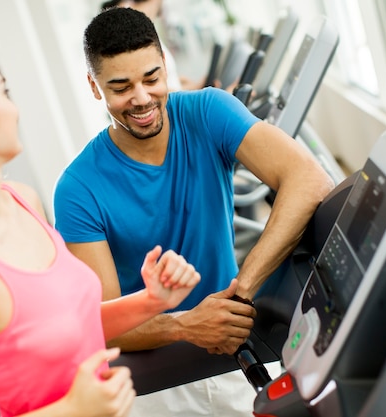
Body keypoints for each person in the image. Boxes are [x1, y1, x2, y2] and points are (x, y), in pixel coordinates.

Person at [0, 31, 200, 417]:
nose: (15, 108)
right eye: (3, 91)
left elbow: (66, 322)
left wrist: (152, 301)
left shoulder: (22, 201)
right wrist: (73, 409)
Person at [53, 7, 334, 416]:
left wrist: (240, 293)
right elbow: (102, 321)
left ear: (165, 64)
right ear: (95, 87)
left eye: (151, 78)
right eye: (121, 87)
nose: (142, 98)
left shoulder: (207, 113)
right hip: (154, 375)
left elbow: (309, 178)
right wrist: (186, 324)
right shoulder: (77, 188)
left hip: (232, 346)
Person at [100, 0, 205, 91]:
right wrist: (195, 89)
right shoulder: (133, 38)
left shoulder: (149, 32)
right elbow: (151, 93)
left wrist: (184, 84)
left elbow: (164, 81)